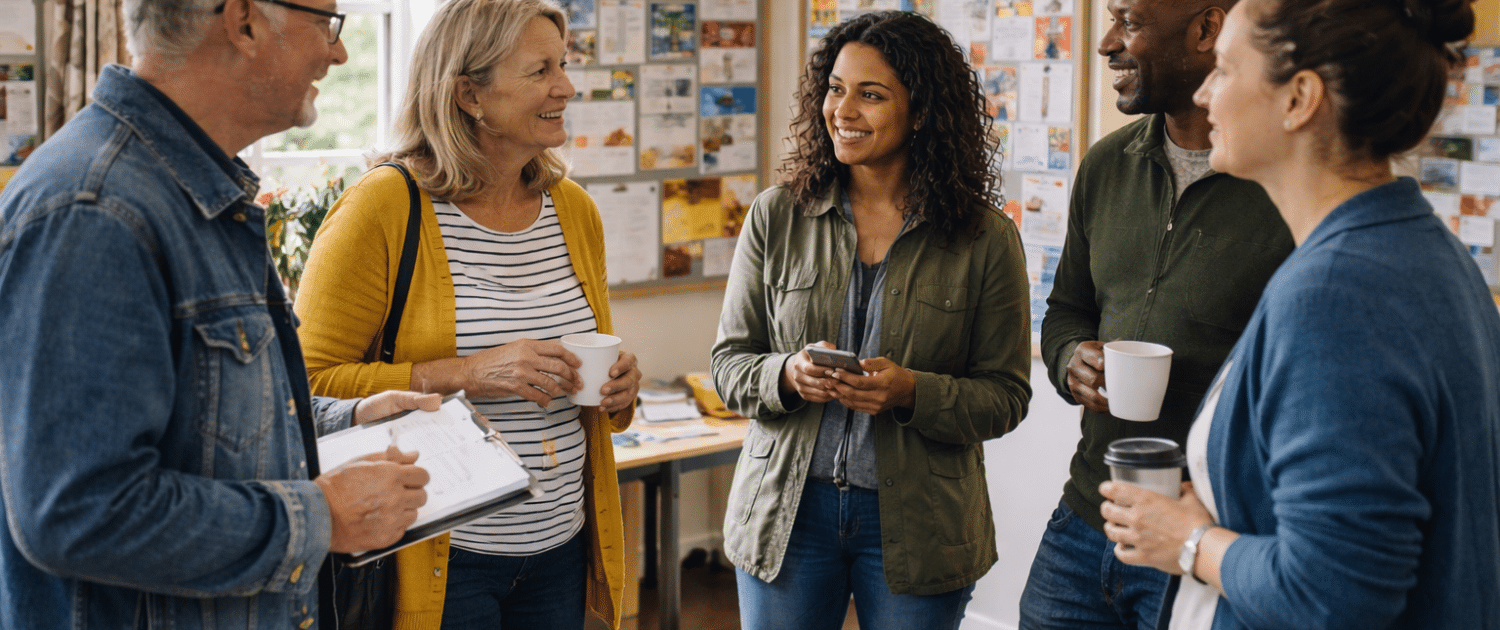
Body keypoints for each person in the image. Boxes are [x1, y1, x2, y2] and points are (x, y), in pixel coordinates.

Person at [0, 1, 444, 629]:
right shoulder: (96, 211)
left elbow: (207, 422)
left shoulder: (200, 191)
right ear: (244, 23)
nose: (338, 53)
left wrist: (347, 419)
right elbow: (77, 511)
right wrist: (320, 516)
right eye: (327, 24)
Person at [1099, 0, 1500, 628]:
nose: (1205, 93)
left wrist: (1187, 542)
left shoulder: (1338, 293)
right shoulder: (1422, 248)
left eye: (1226, 70)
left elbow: (1333, 595)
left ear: (1299, 99)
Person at [292, 0, 641, 628]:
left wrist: (618, 388)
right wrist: (466, 372)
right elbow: (305, 387)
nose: (565, 86)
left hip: (560, 545)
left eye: (563, 65)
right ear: (468, 95)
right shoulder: (383, 207)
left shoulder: (575, 210)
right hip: (442, 554)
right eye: (539, 71)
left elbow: (592, 365)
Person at [711, 11, 1032, 630]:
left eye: (871, 94)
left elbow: (1006, 396)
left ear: (922, 112)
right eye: (835, 89)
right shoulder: (778, 215)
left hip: (920, 525)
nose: (843, 109)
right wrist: (787, 374)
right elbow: (729, 366)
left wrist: (911, 390)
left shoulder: (985, 238)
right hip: (787, 516)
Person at [1018, 0, 1295, 627]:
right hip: (1091, 514)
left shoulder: (1281, 187)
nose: (1107, 42)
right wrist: (1070, 361)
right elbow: (1066, 310)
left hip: (1208, 535)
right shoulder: (1106, 165)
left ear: (1206, 30)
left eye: (1131, 22)